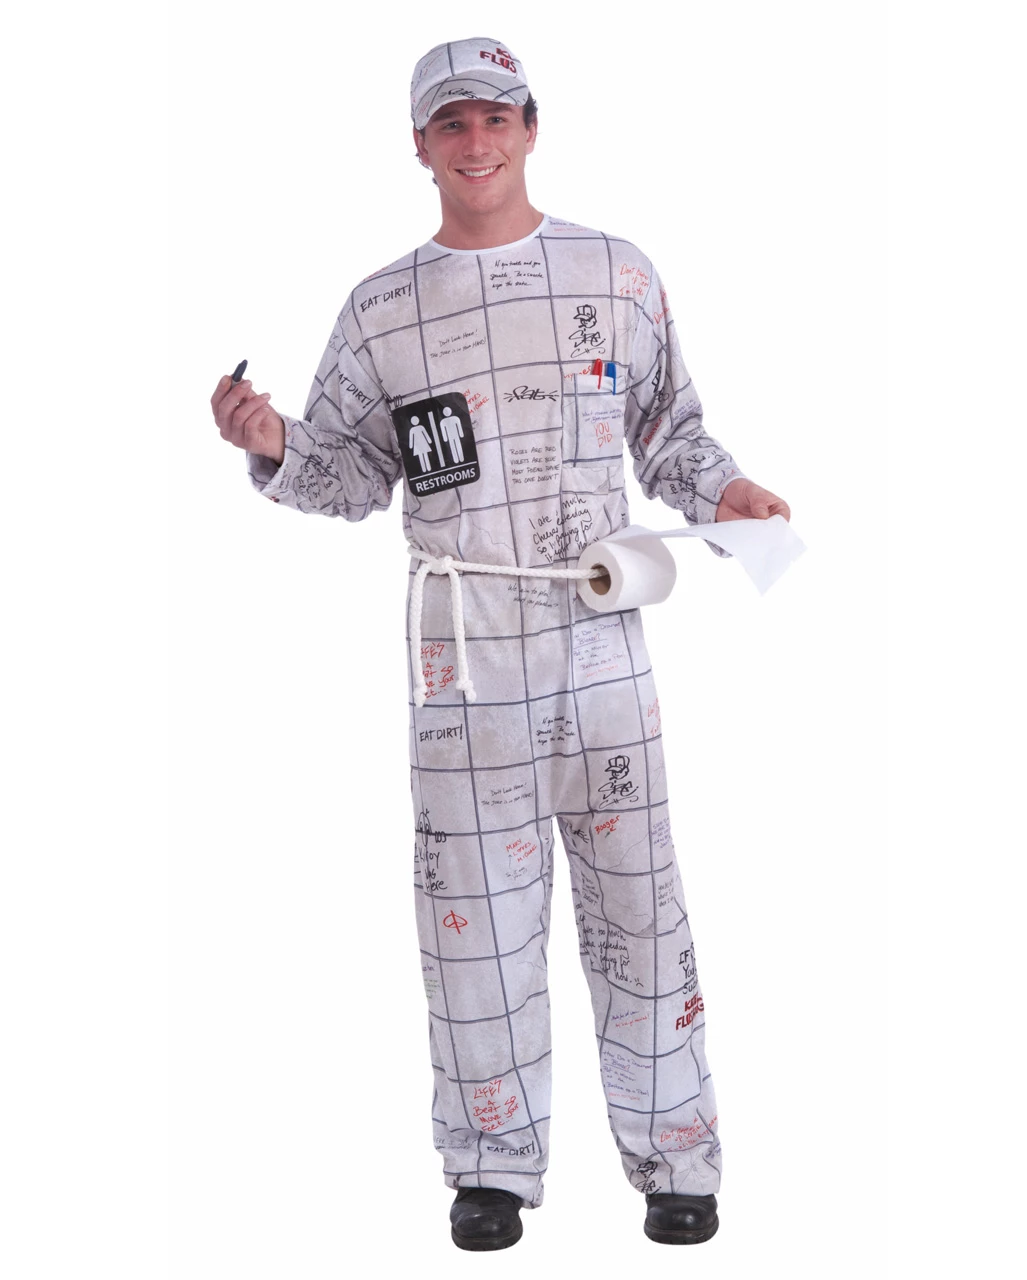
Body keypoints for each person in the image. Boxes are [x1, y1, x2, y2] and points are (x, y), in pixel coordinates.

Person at [210, 36, 790, 1252]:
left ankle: (677, 1159)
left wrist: (728, 493)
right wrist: (272, 439)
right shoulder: (383, 307)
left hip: (602, 640)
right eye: (451, 123)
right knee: (473, 915)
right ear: (418, 146)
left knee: (640, 905)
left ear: (531, 128)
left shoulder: (614, 273)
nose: (476, 142)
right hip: (463, 654)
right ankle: (490, 1164)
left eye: (495, 117)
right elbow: (350, 477)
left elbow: (671, 432)